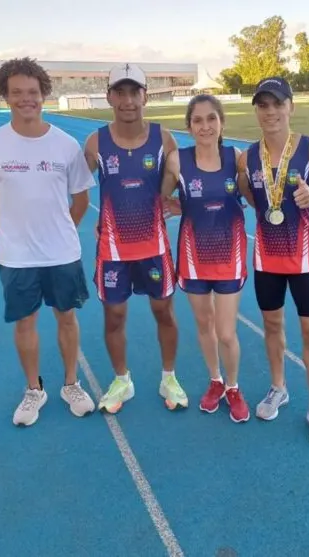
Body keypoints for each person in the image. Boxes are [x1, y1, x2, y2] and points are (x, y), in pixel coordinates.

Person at [0, 57, 96, 426]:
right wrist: (11, 232)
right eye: (17, 93)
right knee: (25, 324)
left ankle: (71, 384)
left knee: (67, 319)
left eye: (33, 92)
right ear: (5, 96)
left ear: (44, 95)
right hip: (16, 256)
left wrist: (60, 230)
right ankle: (34, 389)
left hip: (62, 254)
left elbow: (82, 199)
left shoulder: (66, 145)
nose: (27, 99)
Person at [236, 76, 309, 448]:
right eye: (263, 105)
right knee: (271, 326)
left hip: (303, 260)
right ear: (256, 109)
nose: (271, 112)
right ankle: (278, 388)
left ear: (291, 107)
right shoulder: (247, 157)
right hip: (266, 258)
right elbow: (253, 200)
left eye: (277, 104)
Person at [83, 63, 188, 413]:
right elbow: (72, 185)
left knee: (164, 312)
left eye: (134, 92)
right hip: (113, 250)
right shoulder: (96, 142)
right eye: (120, 92)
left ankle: (169, 377)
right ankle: (121, 380)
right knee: (114, 317)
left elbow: (182, 181)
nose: (128, 100)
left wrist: (179, 202)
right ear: (109, 96)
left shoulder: (165, 138)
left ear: (145, 95)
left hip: (154, 248)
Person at [160, 94, 250, 423]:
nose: (205, 126)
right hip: (193, 257)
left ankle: (233, 386)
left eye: (211, 118)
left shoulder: (235, 158)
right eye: (198, 120)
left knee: (226, 332)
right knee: (204, 324)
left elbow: (249, 197)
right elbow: (162, 198)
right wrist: (176, 206)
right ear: (189, 126)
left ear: (221, 123)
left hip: (229, 255)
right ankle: (215, 380)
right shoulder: (176, 162)